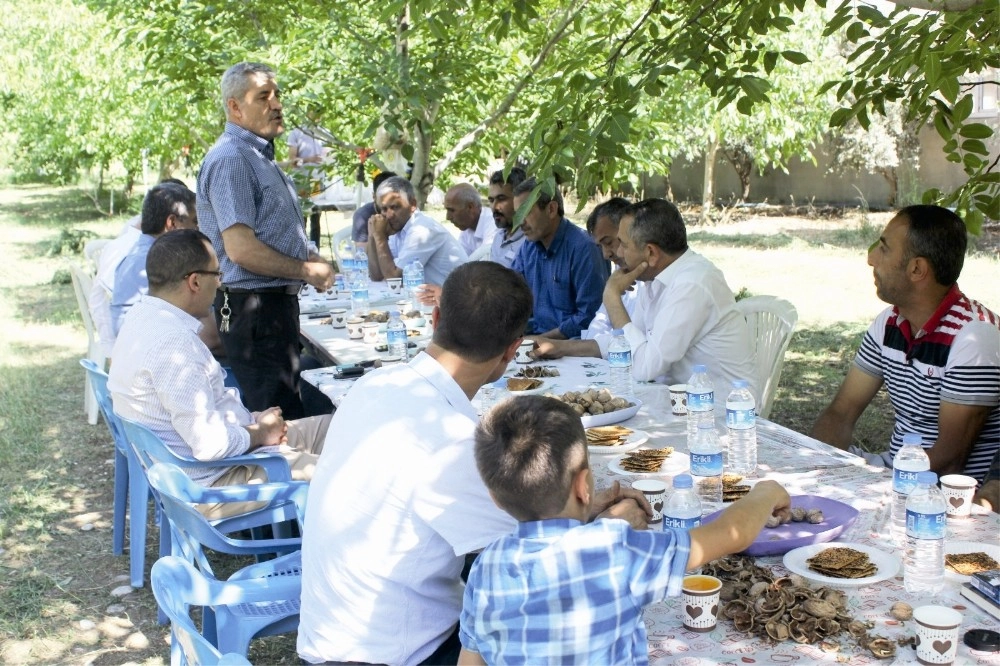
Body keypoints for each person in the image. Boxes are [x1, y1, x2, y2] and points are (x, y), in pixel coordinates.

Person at [297, 262, 650, 666]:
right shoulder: (453, 441)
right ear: (512, 352)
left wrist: (587, 509)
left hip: (333, 636)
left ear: (435, 319)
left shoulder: (375, 383)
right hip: (396, 654)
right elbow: (541, 559)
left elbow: (527, 525)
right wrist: (614, 528)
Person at [458, 395, 791, 664]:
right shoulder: (615, 549)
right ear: (584, 485)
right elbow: (734, 533)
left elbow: (470, 661)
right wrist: (766, 491)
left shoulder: (486, 567)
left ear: (495, 498)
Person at [108, 230, 331, 518]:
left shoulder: (140, 320)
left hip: (215, 463)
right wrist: (261, 432)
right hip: (213, 484)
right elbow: (209, 446)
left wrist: (251, 424)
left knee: (338, 426)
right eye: (218, 275)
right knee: (339, 470)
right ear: (195, 281)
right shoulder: (173, 344)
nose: (220, 284)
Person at [812, 205, 1000, 479]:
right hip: (895, 474)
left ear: (916, 269)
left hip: (937, 497)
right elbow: (841, 413)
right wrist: (816, 465)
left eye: (884, 249)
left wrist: (873, 483)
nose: (871, 258)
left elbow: (950, 460)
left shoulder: (974, 337)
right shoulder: (889, 324)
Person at [196, 62, 334, 420]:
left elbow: (273, 232)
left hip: (270, 310)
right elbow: (241, 249)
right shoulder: (232, 159)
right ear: (235, 107)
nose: (276, 104)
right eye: (263, 97)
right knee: (280, 423)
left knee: (294, 412)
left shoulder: (259, 157)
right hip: (255, 312)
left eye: (277, 95)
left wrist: (312, 257)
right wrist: (306, 270)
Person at [530, 198, 756, 395]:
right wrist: (559, 347)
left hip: (723, 411)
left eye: (623, 245)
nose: (616, 253)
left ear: (651, 252)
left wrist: (612, 297)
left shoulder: (692, 284)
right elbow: (626, 344)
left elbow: (644, 367)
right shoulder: (653, 278)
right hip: (678, 398)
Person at [512, 177, 607, 339]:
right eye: (517, 214)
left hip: (574, 349)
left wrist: (542, 340)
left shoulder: (584, 249)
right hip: (534, 340)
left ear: (551, 209)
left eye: (526, 212)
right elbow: (511, 295)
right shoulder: (528, 248)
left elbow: (590, 317)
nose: (520, 222)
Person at [110, 182, 199, 335]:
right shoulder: (156, 263)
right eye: (195, 222)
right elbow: (206, 335)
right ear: (172, 223)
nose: (198, 230)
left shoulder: (140, 254)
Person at [366, 175, 468, 285]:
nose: (389, 215)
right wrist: (373, 235)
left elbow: (395, 280)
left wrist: (380, 237)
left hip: (455, 298)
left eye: (395, 207)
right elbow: (376, 276)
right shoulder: (398, 228)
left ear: (413, 205)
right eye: (384, 209)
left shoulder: (422, 230)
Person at [581, 197, 638, 339]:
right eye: (600, 246)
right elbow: (598, 327)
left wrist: (611, 294)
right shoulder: (620, 271)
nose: (606, 255)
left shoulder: (654, 278)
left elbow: (636, 347)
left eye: (609, 242)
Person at [283, 126, 330, 246]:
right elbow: (292, 161)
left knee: (316, 212)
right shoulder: (296, 133)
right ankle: (301, 247)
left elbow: (328, 155)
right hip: (302, 179)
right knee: (302, 213)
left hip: (317, 180)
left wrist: (328, 159)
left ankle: (315, 248)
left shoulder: (324, 132)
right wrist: (309, 159)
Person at [487, 167, 527, 269]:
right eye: (491, 200)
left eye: (501, 199)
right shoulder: (498, 238)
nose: (495, 207)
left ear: (521, 200)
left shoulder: (531, 243)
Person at [444, 183, 497, 258]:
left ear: (470, 207)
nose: (448, 217)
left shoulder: (493, 223)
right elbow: (460, 259)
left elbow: (486, 259)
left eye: (452, 210)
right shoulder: (467, 227)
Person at [350, 170, 397, 247]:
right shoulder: (362, 216)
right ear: (374, 197)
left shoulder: (403, 212)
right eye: (384, 198)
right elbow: (362, 252)